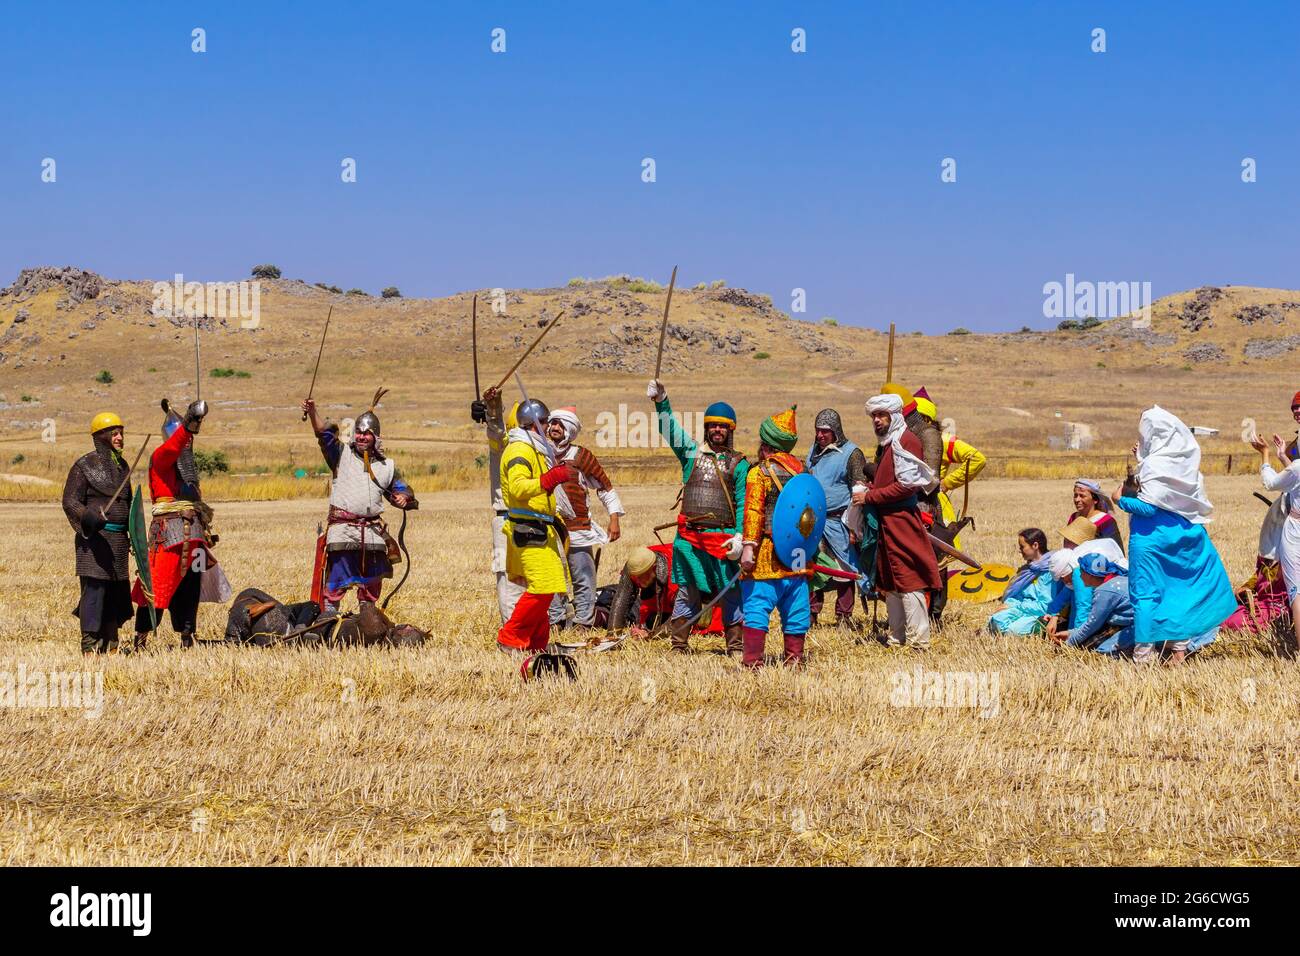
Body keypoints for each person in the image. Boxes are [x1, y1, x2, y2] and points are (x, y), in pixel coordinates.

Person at [1114, 406, 1236, 664]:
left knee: (1145, 595)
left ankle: (1143, 656)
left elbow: (1148, 507)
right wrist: (1142, 461)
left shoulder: (1153, 465)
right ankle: (1179, 649)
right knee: (1177, 590)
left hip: (1149, 541)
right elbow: (1168, 495)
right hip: (1180, 536)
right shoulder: (1182, 463)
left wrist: (1120, 500)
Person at [648, 378, 748, 656]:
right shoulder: (690, 453)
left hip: (724, 539)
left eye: (722, 426)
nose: (717, 430)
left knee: (731, 593)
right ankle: (679, 645)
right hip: (691, 539)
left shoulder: (739, 464)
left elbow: (741, 503)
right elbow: (669, 428)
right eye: (713, 425)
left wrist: (739, 537)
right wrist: (661, 401)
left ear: (731, 429)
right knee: (688, 592)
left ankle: (736, 647)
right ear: (706, 427)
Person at [302, 396, 418, 613]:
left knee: (371, 583)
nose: (362, 437)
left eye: (367, 433)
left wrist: (403, 497)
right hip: (343, 530)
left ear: (376, 437)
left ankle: (367, 622)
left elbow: (402, 488)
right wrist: (313, 411)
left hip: (373, 532)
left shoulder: (387, 466)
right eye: (359, 432)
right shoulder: (340, 454)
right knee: (336, 581)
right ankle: (327, 621)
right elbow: (324, 434)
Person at [131, 398, 229, 648]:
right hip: (170, 533)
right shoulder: (162, 456)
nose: (188, 444)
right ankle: (141, 638)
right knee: (157, 586)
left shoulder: (188, 468)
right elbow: (174, 447)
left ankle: (188, 636)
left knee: (190, 587)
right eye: (185, 439)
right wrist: (189, 422)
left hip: (193, 535)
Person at [858, 394, 942, 649]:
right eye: (874, 416)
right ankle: (897, 637)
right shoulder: (889, 442)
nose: (877, 420)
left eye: (882, 415)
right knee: (889, 580)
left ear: (894, 416)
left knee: (909, 579)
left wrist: (870, 495)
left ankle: (918, 642)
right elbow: (891, 480)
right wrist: (871, 486)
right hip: (886, 521)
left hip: (901, 520)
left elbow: (906, 486)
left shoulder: (906, 441)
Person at [496, 398, 574, 653]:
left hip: (540, 527)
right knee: (543, 586)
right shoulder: (520, 450)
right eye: (543, 422)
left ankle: (536, 643)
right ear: (533, 424)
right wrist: (549, 479)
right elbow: (518, 487)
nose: (547, 427)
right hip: (527, 528)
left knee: (547, 587)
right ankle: (511, 637)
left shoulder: (535, 449)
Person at [739, 407, 813, 667]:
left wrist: (748, 548)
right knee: (796, 605)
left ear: (766, 445)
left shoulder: (759, 473)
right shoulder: (804, 472)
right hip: (798, 553)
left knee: (757, 604)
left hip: (766, 552)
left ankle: (753, 662)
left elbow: (754, 512)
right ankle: (794, 659)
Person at [545, 406, 625, 629]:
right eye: (552, 423)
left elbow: (605, 488)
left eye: (561, 425)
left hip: (577, 527)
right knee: (551, 576)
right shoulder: (540, 453)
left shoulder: (581, 456)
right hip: (548, 526)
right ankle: (556, 620)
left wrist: (614, 518)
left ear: (570, 429)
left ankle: (583, 622)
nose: (555, 428)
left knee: (583, 578)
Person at [62, 412, 134, 654]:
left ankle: (111, 643)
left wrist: (133, 534)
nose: (120, 437)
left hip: (118, 542)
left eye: (121, 432)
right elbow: (70, 502)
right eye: (114, 433)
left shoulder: (123, 467)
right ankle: (90, 645)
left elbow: (130, 505)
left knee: (115, 593)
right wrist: (89, 517)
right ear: (101, 436)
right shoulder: (84, 465)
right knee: (95, 593)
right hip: (94, 542)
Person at [805, 408, 869, 629]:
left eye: (826, 431)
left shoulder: (852, 453)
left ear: (836, 431)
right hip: (815, 521)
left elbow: (859, 490)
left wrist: (854, 527)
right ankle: (812, 614)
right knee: (813, 568)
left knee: (845, 569)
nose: (821, 435)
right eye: (818, 430)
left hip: (840, 520)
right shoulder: (813, 452)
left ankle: (843, 616)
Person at [472, 386, 525, 623]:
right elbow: (495, 429)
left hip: (536, 521)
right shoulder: (503, 445)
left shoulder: (539, 449)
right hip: (506, 521)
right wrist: (493, 407)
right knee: (508, 580)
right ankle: (512, 632)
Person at [1251, 431, 1300, 647]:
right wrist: (1283, 457)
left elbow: (1271, 483)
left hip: (1296, 530)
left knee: (1296, 590)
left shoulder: (1298, 468)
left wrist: (1265, 454)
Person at [1057, 552, 1135, 655]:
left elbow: (1091, 625)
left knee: (1102, 652)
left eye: (1081, 571)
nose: (1079, 575)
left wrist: (1068, 645)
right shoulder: (1115, 581)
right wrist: (1070, 633)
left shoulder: (1104, 591)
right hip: (1136, 625)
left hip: (1136, 628)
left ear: (1090, 574)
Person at [988, 528, 1055, 636]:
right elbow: (1018, 595)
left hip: (1037, 613)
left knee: (1011, 631)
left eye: (1022, 546)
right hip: (1021, 608)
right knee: (996, 621)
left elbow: (1044, 605)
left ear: (1035, 546)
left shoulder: (1049, 572)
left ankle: (1040, 627)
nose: (1019, 550)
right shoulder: (1027, 570)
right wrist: (1009, 604)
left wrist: (1015, 607)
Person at [1065, 479, 1124, 552]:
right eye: (1075, 495)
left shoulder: (1106, 521)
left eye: (1082, 496)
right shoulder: (1073, 517)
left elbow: (1116, 550)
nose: (1077, 500)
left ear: (1095, 500)